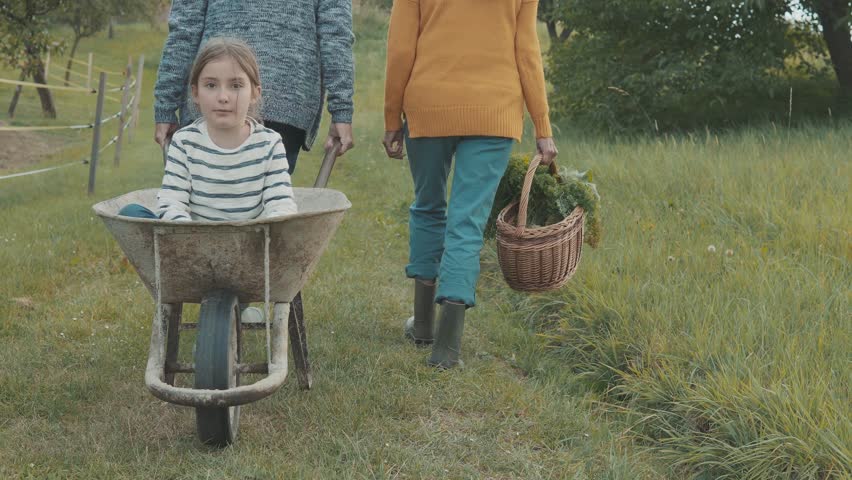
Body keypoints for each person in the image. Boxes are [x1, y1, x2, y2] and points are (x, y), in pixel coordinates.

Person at [383, 0, 559, 368]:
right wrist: (542, 127)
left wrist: (391, 117)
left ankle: (424, 327)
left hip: (428, 105)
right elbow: (527, 51)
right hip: (495, 112)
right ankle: (447, 349)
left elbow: (401, 47)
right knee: (467, 223)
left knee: (429, 206)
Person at [153, 0, 356, 173]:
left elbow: (185, 29)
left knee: (205, 204)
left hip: (241, 96)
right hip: (282, 98)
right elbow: (336, 33)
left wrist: (166, 105)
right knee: (262, 207)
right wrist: (341, 110)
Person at [120, 38, 297, 222]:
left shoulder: (269, 143)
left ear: (254, 93)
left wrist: (266, 232)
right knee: (131, 212)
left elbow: (281, 204)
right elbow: (172, 202)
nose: (222, 97)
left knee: (290, 225)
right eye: (211, 85)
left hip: (252, 240)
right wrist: (189, 235)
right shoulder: (185, 142)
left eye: (235, 86)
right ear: (195, 93)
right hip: (194, 238)